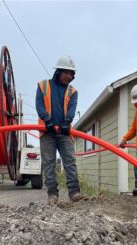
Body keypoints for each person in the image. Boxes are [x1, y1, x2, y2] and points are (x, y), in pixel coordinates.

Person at [36, 55, 85, 204]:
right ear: (58, 71)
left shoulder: (73, 91)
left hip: (64, 132)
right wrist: (47, 119)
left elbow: (71, 108)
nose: (69, 76)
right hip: (47, 131)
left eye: (71, 74)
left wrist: (67, 121)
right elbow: (39, 105)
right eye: (66, 73)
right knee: (49, 163)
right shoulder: (43, 86)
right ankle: (52, 195)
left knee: (70, 161)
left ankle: (74, 193)